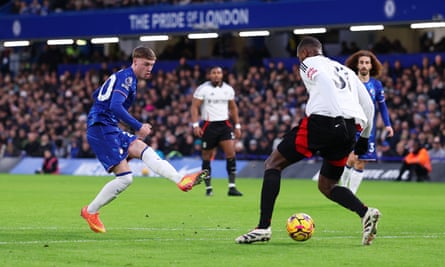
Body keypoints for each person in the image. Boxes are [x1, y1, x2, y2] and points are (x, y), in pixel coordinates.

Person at [235, 36, 380, 246]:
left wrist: (335, 115)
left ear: (303, 53)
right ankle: (366, 212)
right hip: (350, 129)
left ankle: (263, 227)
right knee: (327, 185)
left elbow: (323, 82)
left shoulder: (308, 63)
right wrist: (364, 139)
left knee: (273, 164)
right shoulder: (345, 70)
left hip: (325, 121)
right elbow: (368, 104)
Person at [81, 46, 207, 233]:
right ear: (135, 62)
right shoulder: (127, 78)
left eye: (152, 65)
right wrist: (138, 126)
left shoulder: (123, 77)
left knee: (145, 150)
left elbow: (97, 96)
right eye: (146, 64)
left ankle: (180, 179)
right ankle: (90, 211)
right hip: (101, 128)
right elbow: (115, 105)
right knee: (125, 179)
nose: (149, 69)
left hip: (109, 127)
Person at [339, 50, 394, 194]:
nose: (364, 65)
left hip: (368, 129)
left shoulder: (376, 85)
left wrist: (388, 125)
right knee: (351, 158)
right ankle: (343, 188)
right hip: (352, 125)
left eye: (367, 63)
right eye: (361, 62)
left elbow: (382, 106)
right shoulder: (350, 83)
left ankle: (351, 194)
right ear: (357, 66)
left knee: (361, 162)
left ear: (371, 66)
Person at [191, 66, 243, 197]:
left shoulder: (228, 89)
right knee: (206, 157)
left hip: (224, 125)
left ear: (222, 75)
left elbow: (233, 108)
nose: (216, 75)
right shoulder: (203, 89)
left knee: (231, 154)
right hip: (209, 125)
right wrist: (196, 124)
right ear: (209, 75)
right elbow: (195, 107)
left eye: (218, 73)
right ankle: (208, 188)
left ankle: (232, 187)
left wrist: (237, 125)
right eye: (213, 73)